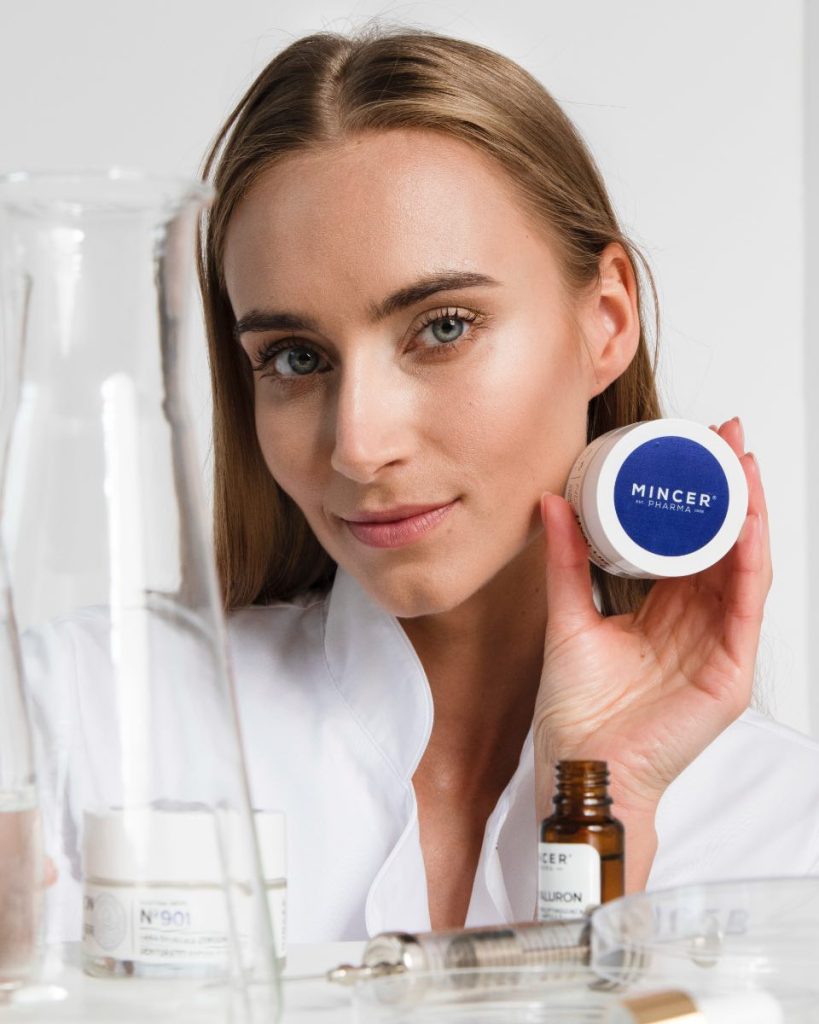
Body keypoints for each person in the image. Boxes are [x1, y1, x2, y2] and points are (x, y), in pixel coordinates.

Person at [26, 25, 819, 944]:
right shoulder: (81, 722)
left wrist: (601, 814)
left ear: (605, 321)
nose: (358, 447)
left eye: (443, 327)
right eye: (294, 357)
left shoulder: (785, 834)